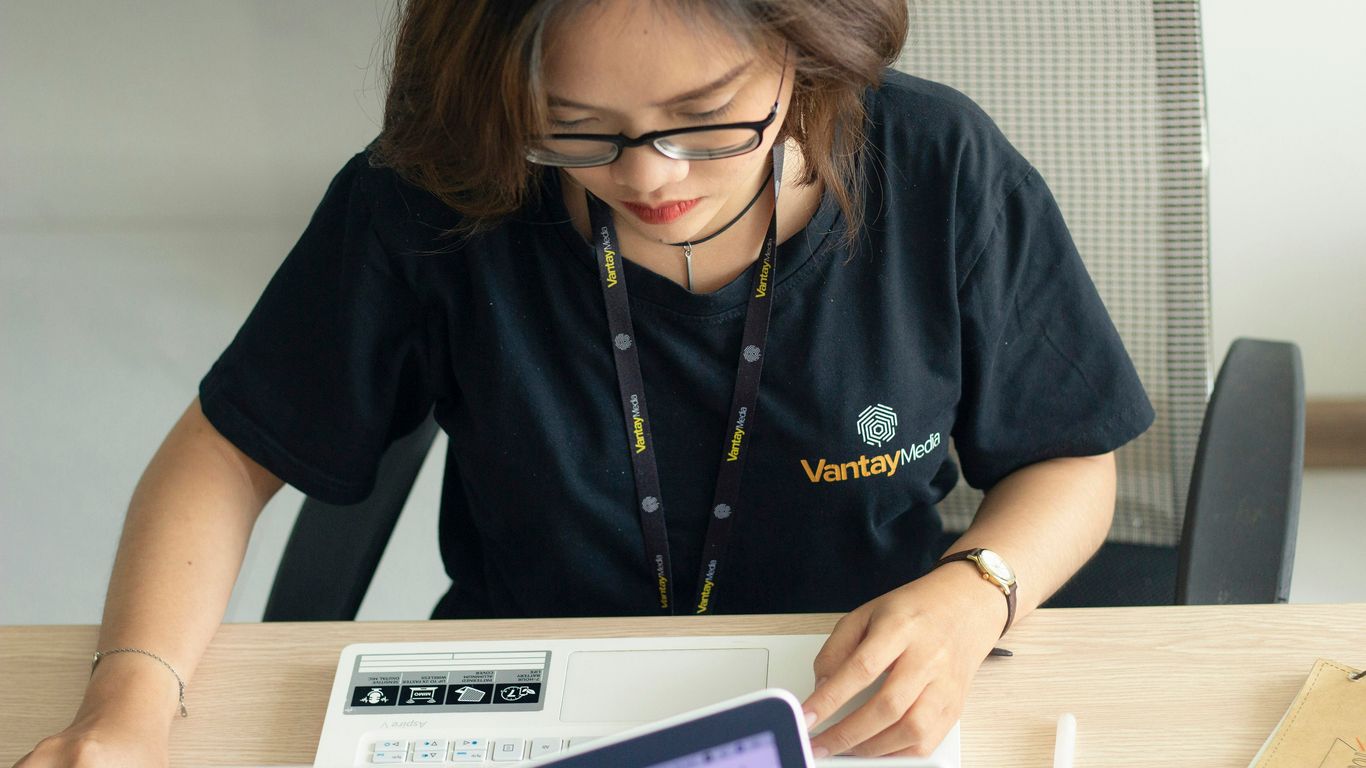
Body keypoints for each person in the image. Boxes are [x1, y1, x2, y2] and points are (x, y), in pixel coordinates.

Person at [17, 0, 1155, 764]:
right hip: (524, 699)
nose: (652, 179)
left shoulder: (934, 167)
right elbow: (223, 456)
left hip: (850, 694)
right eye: (577, 133)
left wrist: (975, 592)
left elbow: (1069, 455)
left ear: (800, 49)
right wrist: (126, 707)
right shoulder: (440, 192)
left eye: (708, 123)